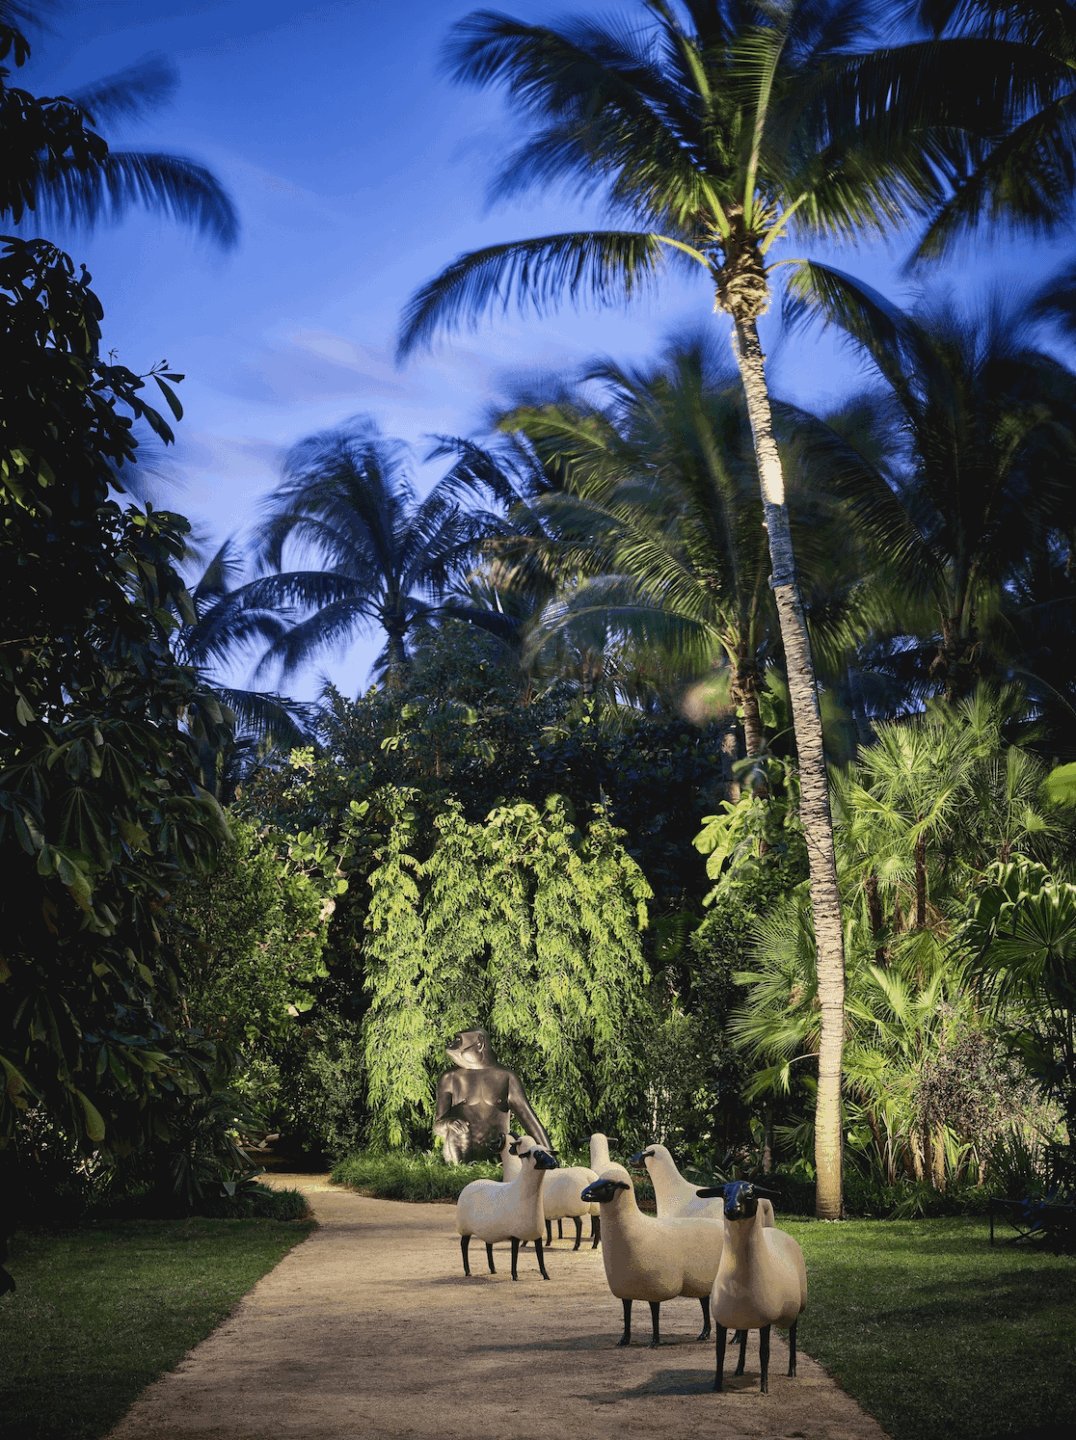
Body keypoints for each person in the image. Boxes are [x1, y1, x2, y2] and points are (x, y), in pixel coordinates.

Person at [433, 1027, 551, 1163]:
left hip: (498, 1158)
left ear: (480, 1043)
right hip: (460, 1158)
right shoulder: (450, 1078)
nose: (452, 1045)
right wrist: (448, 1123)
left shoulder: (506, 1077)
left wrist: (549, 1155)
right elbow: (438, 1127)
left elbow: (529, 1121)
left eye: (459, 1040)